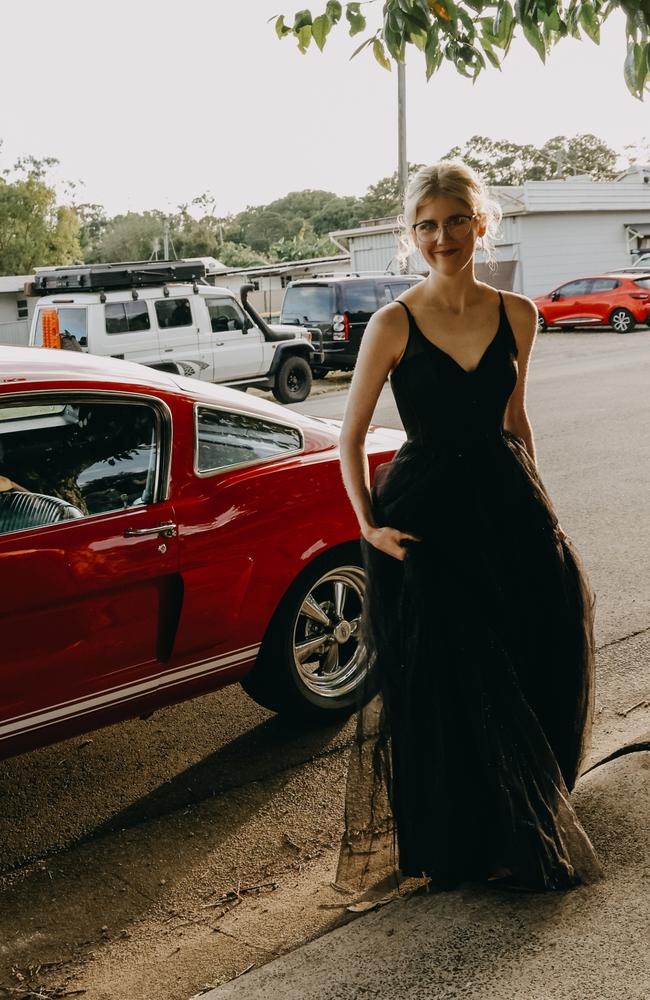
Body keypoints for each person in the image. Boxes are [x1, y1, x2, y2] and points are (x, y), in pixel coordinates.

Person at [336, 161, 602, 896]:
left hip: (506, 501)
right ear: (411, 235)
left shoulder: (520, 313)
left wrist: (541, 503)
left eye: (456, 220)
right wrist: (370, 527)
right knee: (447, 685)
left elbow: (516, 419)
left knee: (532, 647)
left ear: (479, 224)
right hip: (424, 519)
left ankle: (522, 822)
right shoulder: (394, 322)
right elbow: (350, 437)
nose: (442, 237)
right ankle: (461, 840)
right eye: (427, 225)